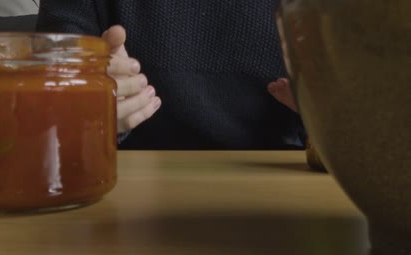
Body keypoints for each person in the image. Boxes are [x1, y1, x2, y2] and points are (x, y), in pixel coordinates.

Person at [36, 0, 304, 150]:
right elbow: (47, 103)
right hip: (121, 185)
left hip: (286, 186)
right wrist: (84, 110)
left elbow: (338, 123)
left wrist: (326, 123)